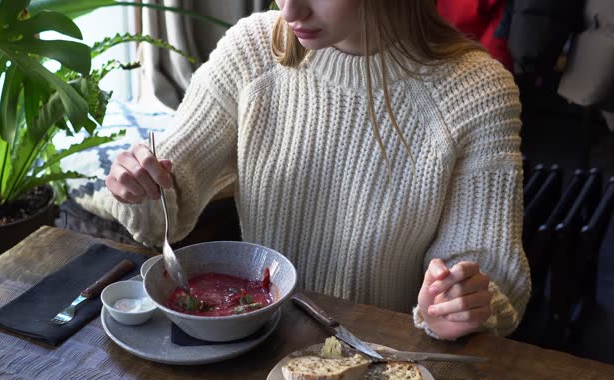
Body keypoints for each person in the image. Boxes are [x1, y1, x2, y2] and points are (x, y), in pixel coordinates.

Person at [104, 0, 530, 340]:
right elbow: (169, 191)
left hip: (378, 363)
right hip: (251, 341)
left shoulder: (476, 92)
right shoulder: (252, 50)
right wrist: (139, 184)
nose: (290, 11)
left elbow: (489, 267)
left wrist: (458, 302)